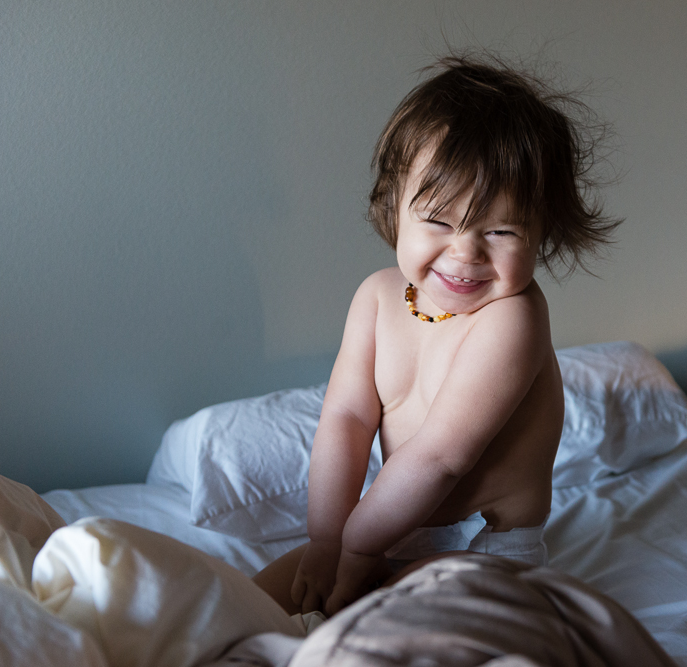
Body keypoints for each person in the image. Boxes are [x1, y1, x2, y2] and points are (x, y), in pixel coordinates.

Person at [253, 53, 619, 617]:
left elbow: (441, 457)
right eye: (440, 221)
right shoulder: (377, 297)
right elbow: (346, 418)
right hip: (392, 523)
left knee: (399, 615)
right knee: (248, 600)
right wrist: (328, 540)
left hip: (486, 544)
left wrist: (358, 547)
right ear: (394, 207)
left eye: (501, 231)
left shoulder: (513, 318)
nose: (466, 252)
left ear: (542, 232)